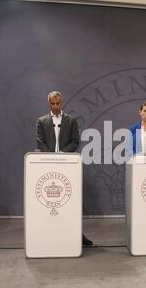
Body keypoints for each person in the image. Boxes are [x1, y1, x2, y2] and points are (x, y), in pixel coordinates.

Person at [36, 90, 92, 246]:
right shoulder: (41, 121)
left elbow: (75, 141)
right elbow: (40, 142)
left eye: (57, 103)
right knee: (50, 202)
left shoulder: (71, 120)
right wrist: (52, 157)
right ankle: (49, 234)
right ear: (49, 104)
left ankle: (77, 235)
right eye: (52, 104)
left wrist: (61, 154)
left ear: (62, 102)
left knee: (70, 202)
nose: (55, 106)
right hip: (47, 167)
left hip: (67, 166)